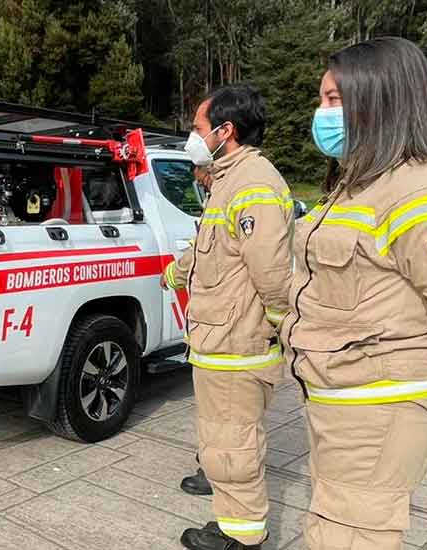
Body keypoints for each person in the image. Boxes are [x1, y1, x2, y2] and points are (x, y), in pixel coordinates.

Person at [284, 37, 427, 550]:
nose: (323, 113)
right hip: (343, 394)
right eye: (322, 99)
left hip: (380, 403)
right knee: (335, 523)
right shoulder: (359, 181)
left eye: (335, 99)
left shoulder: (425, 189)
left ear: (381, 98)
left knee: (348, 536)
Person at [162, 85, 295, 550]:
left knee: (235, 444)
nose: (192, 138)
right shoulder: (229, 181)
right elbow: (213, 251)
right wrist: (174, 275)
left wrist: (275, 325)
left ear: (226, 130)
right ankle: (230, 509)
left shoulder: (253, 183)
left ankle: (242, 536)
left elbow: (273, 273)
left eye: (198, 128)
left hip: (239, 344)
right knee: (224, 441)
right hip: (220, 340)